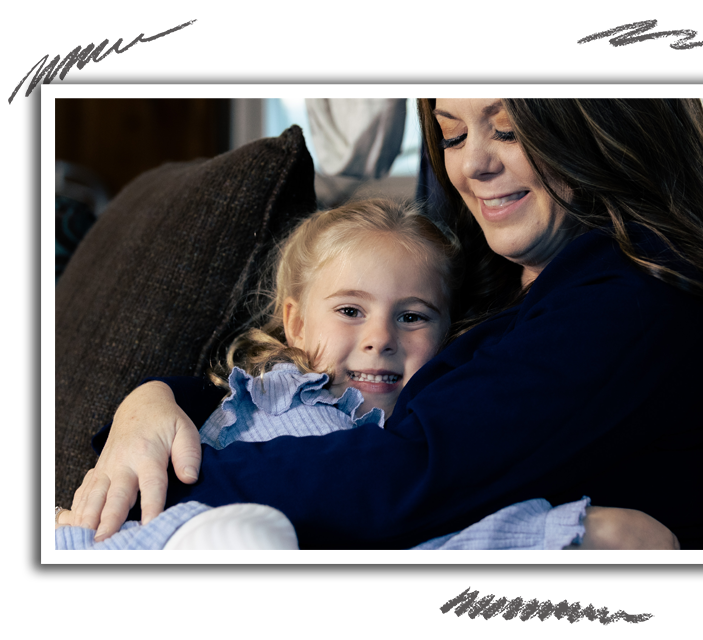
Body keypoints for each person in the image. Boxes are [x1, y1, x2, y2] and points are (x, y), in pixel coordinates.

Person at [63, 99, 703, 550]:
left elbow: (406, 475)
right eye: (452, 133)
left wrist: (158, 490)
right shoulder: (498, 275)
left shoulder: (631, 302)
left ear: (603, 121)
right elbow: (297, 391)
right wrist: (151, 402)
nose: (473, 164)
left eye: (508, 130)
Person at [55, 197, 647, 550]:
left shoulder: (419, 430)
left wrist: (559, 529)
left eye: (412, 317)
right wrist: (149, 400)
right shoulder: (271, 388)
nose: (380, 338)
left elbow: (427, 537)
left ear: (447, 336)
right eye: (349, 311)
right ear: (295, 323)